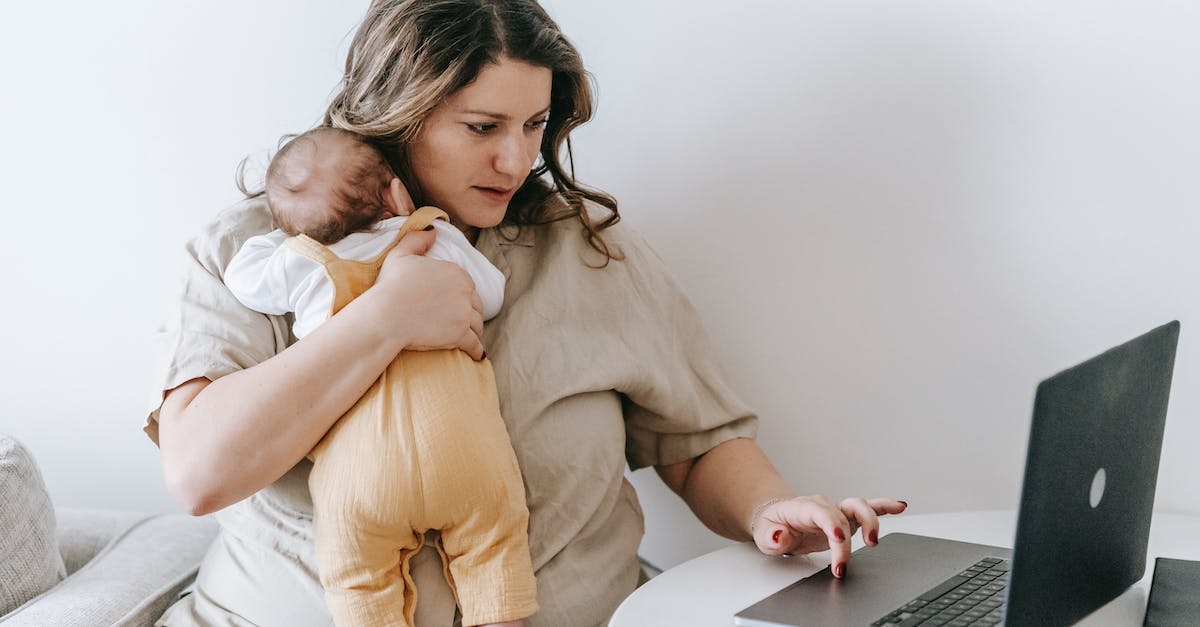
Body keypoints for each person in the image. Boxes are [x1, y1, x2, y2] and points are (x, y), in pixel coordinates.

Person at [147, 1, 908, 625]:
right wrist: (383, 320)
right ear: (394, 114)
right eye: (482, 128)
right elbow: (200, 472)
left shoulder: (588, 252)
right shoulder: (257, 253)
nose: (516, 161)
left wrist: (769, 510)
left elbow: (695, 440)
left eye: (534, 126)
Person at [223, 126, 536, 627]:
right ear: (395, 191)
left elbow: (243, 278)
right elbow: (491, 293)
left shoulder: (302, 263)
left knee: (358, 577)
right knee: (493, 545)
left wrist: (291, 234)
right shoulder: (430, 236)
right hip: (462, 451)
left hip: (361, 475)